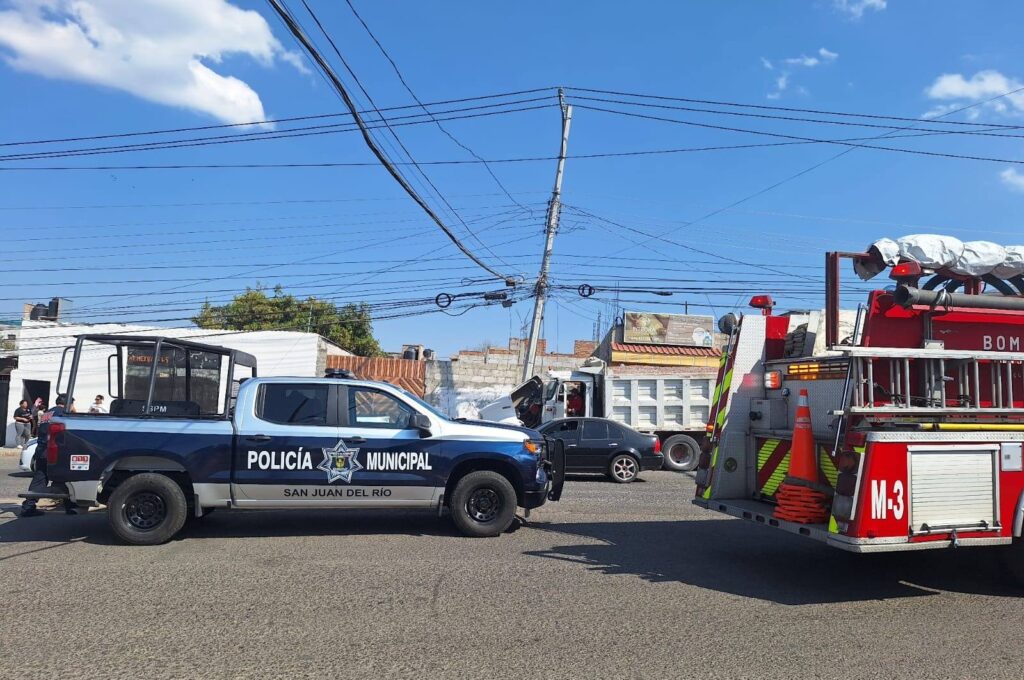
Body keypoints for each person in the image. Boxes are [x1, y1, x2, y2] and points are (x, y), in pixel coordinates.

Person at [20, 394, 77, 518]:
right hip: (56, 452)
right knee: (66, 477)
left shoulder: (47, 413)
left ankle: (28, 506)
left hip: (41, 450)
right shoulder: (63, 413)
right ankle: (71, 506)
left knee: (40, 478)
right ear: (69, 403)